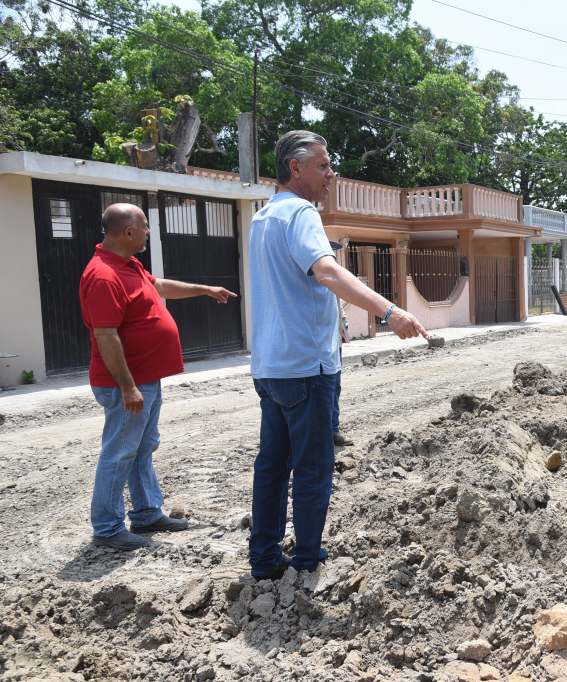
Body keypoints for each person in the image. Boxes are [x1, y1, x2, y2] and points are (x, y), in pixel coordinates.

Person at [248, 130, 427, 579]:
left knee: (272, 465)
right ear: (296, 168)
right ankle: (308, 558)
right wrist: (389, 311)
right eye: (323, 166)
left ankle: (265, 558)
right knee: (312, 467)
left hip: (272, 366)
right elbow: (326, 271)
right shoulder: (301, 214)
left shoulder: (262, 218)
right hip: (307, 366)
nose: (331, 174)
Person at [80, 203, 237, 551]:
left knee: (142, 448)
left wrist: (204, 289)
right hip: (126, 385)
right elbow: (106, 335)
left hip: (144, 380)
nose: (149, 232)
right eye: (145, 226)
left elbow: (159, 285)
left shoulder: (127, 264)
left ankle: (147, 512)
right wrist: (128, 387)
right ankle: (106, 527)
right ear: (127, 232)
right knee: (120, 452)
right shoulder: (104, 275)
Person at [328, 240, 354, 448]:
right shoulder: (321, 277)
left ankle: (333, 428)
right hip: (322, 343)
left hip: (335, 340)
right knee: (327, 387)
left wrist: (344, 326)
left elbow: (338, 306)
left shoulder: (332, 278)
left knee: (334, 386)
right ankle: (329, 430)